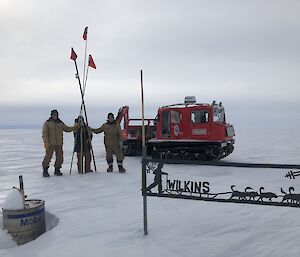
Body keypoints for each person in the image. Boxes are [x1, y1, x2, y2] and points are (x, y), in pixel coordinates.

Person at [42, 110, 79, 177]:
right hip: (50, 144)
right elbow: (44, 134)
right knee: (48, 157)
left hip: (59, 143)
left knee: (60, 157)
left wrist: (75, 127)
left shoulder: (60, 123)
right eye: (53, 114)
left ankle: (57, 169)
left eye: (56, 114)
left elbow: (67, 129)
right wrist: (46, 142)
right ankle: (45, 170)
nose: (54, 116)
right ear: (51, 115)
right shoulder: (47, 123)